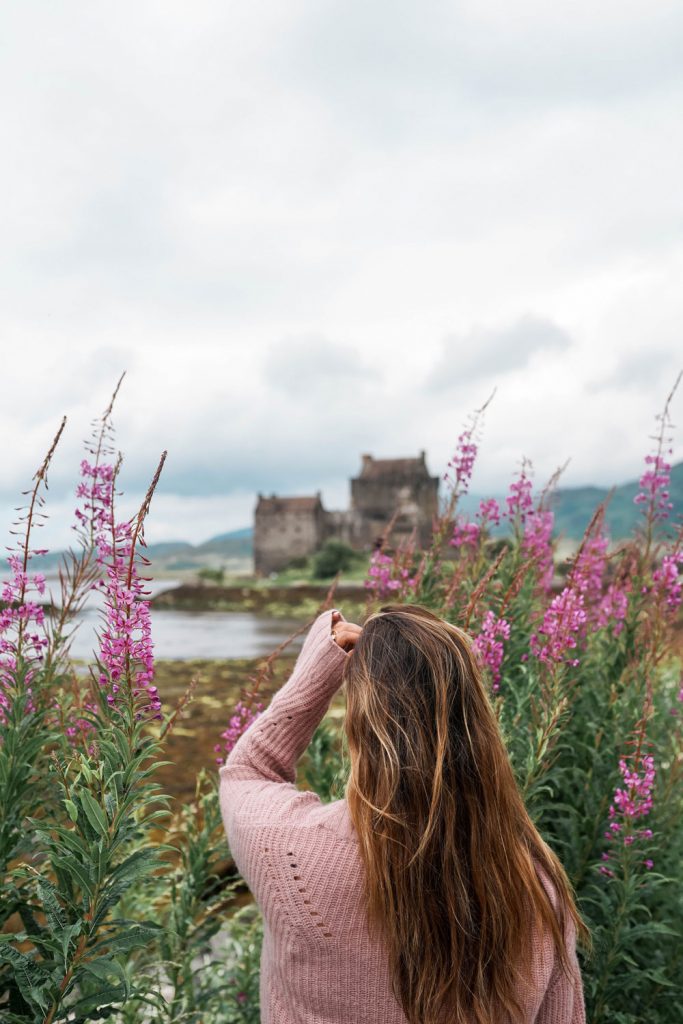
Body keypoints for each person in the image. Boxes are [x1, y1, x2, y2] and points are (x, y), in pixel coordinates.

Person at [218, 605, 588, 1024]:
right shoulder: (536, 887)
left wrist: (318, 668)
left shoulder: (292, 856)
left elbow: (248, 771)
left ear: (362, 724)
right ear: (479, 725)